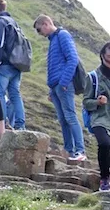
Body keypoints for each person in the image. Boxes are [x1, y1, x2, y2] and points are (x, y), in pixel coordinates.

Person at [33, 14, 87, 163]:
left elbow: (72, 59)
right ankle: (69, 150)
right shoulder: (53, 40)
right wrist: (52, 89)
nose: (40, 34)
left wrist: (63, 82)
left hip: (63, 85)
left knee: (70, 116)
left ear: (45, 24)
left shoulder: (63, 35)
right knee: (63, 119)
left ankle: (80, 151)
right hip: (56, 86)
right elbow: (56, 66)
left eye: (39, 30)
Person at [0, 0, 27, 130]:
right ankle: (20, 126)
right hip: (17, 65)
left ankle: (1, 126)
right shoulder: (14, 23)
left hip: (5, 65)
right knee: (15, 94)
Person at [83, 40, 110, 191]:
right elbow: (86, 102)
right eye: (109, 57)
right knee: (105, 144)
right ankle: (104, 179)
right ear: (102, 56)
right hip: (99, 119)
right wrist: (97, 102)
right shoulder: (92, 77)